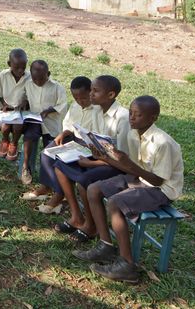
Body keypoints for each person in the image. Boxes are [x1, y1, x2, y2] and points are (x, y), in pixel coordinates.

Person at [73, 96, 183, 283]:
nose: (131, 118)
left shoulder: (162, 143)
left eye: (138, 115)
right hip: (141, 179)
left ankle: (127, 265)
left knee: (116, 202)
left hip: (162, 189)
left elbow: (156, 181)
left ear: (153, 118)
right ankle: (106, 245)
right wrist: (106, 158)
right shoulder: (133, 134)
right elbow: (130, 168)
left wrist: (127, 164)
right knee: (93, 189)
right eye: (131, 113)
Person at [53, 75, 131, 242]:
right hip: (101, 157)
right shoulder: (99, 111)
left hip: (120, 167)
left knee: (84, 180)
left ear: (110, 95)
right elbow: (97, 142)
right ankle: (76, 217)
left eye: (95, 91)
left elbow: (123, 157)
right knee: (60, 165)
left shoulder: (122, 118)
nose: (91, 95)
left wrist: (92, 162)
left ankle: (91, 225)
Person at [21, 76, 102, 214]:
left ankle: (59, 195)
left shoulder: (98, 110)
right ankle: (46, 187)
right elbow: (68, 122)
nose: (79, 102)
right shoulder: (76, 106)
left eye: (83, 98)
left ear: (91, 92)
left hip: (89, 147)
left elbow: (98, 136)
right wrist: (64, 132)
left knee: (62, 161)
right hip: (73, 140)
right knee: (47, 153)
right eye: (76, 98)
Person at [19, 60, 68, 185]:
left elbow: (63, 105)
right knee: (29, 137)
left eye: (41, 79)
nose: (38, 82)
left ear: (48, 73)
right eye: (35, 79)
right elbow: (25, 96)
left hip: (51, 123)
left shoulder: (57, 87)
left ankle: (48, 177)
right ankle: (26, 167)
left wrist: (49, 110)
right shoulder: (28, 84)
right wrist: (24, 102)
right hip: (34, 120)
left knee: (49, 148)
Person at [0, 49, 30, 162]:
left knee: (17, 126)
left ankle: (14, 143)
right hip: (4, 109)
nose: (20, 70)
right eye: (16, 67)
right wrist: (4, 104)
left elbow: (31, 96)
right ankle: (5, 140)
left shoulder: (30, 78)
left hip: (21, 111)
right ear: (9, 64)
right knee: (5, 126)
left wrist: (26, 102)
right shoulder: (3, 76)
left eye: (23, 67)